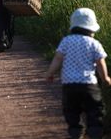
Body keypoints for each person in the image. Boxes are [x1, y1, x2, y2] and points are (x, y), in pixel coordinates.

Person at [46, 8, 111, 139]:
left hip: (69, 85)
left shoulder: (66, 41)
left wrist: (50, 73)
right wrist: (105, 78)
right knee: (95, 111)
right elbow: (100, 63)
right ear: (92, 29)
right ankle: (95, 132)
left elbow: (58, 58)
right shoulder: (94, 44)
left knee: (72, 111)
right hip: (89, 85)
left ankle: (76, 132)